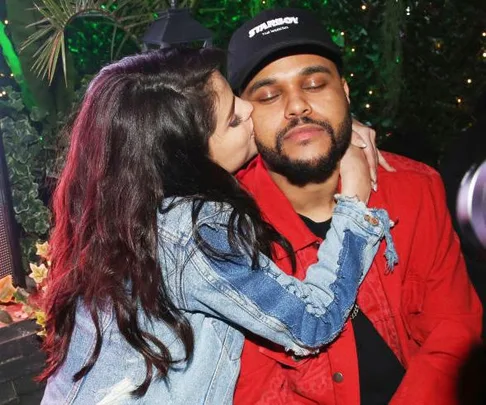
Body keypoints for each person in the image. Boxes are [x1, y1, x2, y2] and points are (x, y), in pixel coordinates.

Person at [40, 47, 395, 404]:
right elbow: (312, 322)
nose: (250, 108)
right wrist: (355, 205)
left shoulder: (124, 208)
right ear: (191, 156)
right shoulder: (195, 233)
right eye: (233, 120)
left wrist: (337, 125)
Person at [227, 7, 483, 405]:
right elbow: (252, 391)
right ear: (244, 117)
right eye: (270, 95)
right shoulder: (223, 227)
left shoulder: (414, 188)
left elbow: (454, 331)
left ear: (345, 94)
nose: (297, 106)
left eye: (314, 84)